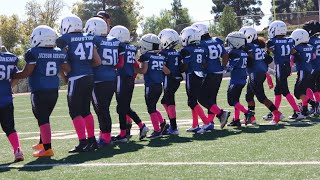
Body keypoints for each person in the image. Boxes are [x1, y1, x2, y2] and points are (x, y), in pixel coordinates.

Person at [13, 25, 70, 157]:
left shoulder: (33, 52)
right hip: (53, 90)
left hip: (39, 90)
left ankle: (47, 148)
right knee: (43, 116)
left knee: (42, 118)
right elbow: (67, 68)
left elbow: (27, 72)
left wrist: (12, 75)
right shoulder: (58, 52)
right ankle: (42, 142)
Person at [56, 14, 102, 153]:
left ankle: (83, 142)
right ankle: (92, 140)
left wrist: (66, 75)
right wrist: (85, 66)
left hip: (76, 78)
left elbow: (64, 63)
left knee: (75, 111)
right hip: (89, 76)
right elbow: (97, 61)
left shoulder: (64, 39)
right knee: (86, 110)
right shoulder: (89, 37)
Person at [237, 26, 284, 126]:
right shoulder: (258, 47)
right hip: (259, 73)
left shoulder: (248, 47)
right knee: (249, 96)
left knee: (261, 97)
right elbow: (269, 59)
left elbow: (249, 60)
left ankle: (277, 114)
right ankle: (251, 118)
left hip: (255, 73)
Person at [109, 25, 150, 140]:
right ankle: (141, 126)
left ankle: (123, 134)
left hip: (121, 78)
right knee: (124, 107)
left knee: (122, 107)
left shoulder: (120, 47)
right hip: (130, 79)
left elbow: (119, 63)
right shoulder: (131, 47)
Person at [192, 23, 231, 130]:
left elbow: (203, 61)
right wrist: (223, 66)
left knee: (202, 99)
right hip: (219, 73)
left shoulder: (201, 44)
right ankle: (210, 122)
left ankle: (221, 113)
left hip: (209, 73)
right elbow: (225, 54)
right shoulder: (217, 40)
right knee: (211, 99)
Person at [263, 20, 301, 123]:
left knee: (284, 90)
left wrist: (265, 52)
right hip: (287, 66)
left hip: (280, 66)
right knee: (278, 90)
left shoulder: (272, 41)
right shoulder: (290, 40)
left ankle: (297, 111)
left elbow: (268, 53)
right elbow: (294, 52)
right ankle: (274, 112)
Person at [136, 33, 170, 139]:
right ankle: (162, 123)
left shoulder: (146, 56)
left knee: (150, 108)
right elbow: (167, 71)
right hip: (159, 85)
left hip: (150, 85)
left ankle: (157, 130)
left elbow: (144, 70)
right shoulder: (160, 57)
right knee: (153, 107)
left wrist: (134, 69)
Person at [179, 27, 211, 133]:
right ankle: (195, 124)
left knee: (191, 102)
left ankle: (206, 122)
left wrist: (179, 69)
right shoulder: (202, 48)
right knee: (193, 101)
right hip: (200, 74)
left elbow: (186, 66)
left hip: (192, 74)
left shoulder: (187, 50)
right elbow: (205, 64)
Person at [0, 37, 24, 162]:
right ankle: (17, 150)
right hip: (6, 98)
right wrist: (9, 87)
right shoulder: (9, 58)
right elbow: (17, 75)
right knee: (9, 128)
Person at [223, 32, 255, 127]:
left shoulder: (235, 53)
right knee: (236, 100)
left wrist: (222, 67)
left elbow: (230, 68)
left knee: (231, 100)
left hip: (236, 79)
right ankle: (236, 119)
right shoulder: (243, 52)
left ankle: (247, 112)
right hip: (241, 78)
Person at [158, 28, 182, 135]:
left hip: (169, 78)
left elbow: (165, 69)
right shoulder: (176, 52)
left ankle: (173, 127)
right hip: (177, 79)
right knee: (165, 101)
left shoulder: (164, 53)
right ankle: (172, 125)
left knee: (169, 101)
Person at [290, 29, 320, 116]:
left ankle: (314, 103)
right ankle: (305, 110)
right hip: (310, 70)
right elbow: (313, 57)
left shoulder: (296, 48)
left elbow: (292, 60)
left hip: (302, 71)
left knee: (297, 93)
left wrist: (290, 67)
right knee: (305, 90)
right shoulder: (311, 46)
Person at [303, 21, 320, 113]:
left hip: (313, 67)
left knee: (309, 87)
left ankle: (315, 105)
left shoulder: (310, 41)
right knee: (318, 86)